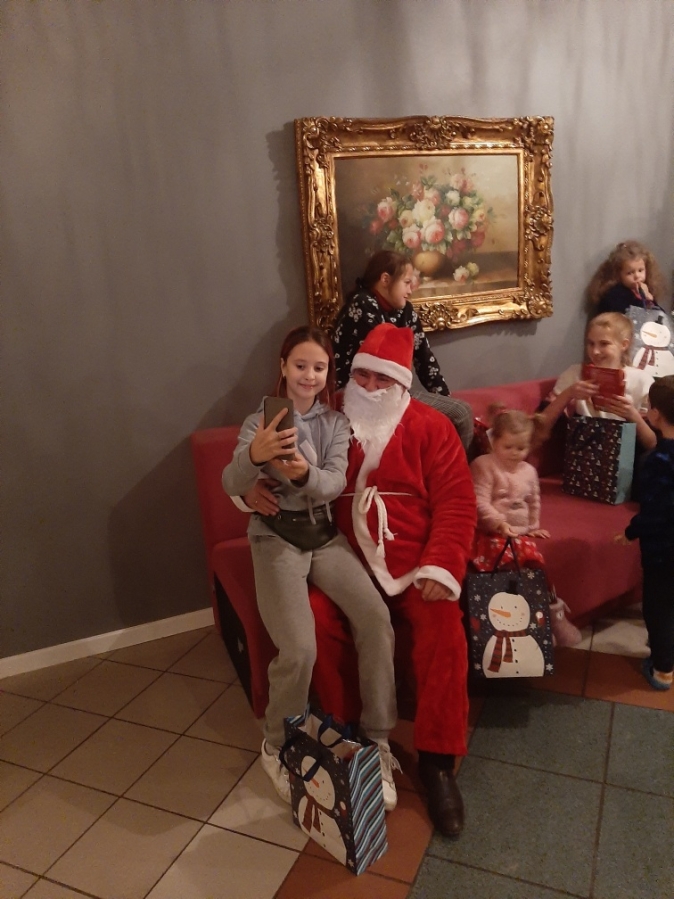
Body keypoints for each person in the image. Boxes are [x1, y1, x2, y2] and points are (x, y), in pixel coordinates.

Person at [222, 326, 398, 809]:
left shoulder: (335, 423)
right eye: (300, 365)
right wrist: (254, 457)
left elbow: (334, 482)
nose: (309, 375)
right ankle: (275, 745)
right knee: (300, 648)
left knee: (376, 619)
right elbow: (230, 480)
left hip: (323, 534)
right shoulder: (260, 421)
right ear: (283, 366)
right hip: (274, 536)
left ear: (328, 373)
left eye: (319, 367)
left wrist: (302, 473)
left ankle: (378, 738)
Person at [331, 250, 474, 451]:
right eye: (406, 282)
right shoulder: (362, 304)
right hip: (357, 391)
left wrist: (444, 400)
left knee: (458, 413)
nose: (410, 290)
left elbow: (425, 359)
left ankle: (451, 467)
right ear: (385, 280)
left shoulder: (405, 310)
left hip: (390, 388)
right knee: (461, 413)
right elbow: (382, 365)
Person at [469, 407, 582, 646]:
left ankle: (550, 613)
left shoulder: (529, 471)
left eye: (521, 448)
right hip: (490, 530)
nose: (514, 453)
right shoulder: (483, 465)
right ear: (493, 441)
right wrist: (499, 523)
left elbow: (533, 500)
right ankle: (522, 623)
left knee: (536, 565)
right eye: (508, 447)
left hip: (517, 532)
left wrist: (532, 526)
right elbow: (478, 502)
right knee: (516, 560)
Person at [615, 376, 674, 691]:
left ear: (655, 414)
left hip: (663, 551)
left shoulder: (659, 461)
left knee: (658, 607)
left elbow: (654, 512)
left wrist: (630, 531)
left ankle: (663, 669)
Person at [541, 312, 656, 452]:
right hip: (581, 453)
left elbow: (652, 444)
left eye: (604, 344)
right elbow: (541, 425)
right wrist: (569, 393)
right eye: (591, 343)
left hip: (625, 456)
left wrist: (632, 415)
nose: (595, 351)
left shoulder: (642, 380)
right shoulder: (574, 373)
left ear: (624, 344)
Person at [588, 240, 667, 315]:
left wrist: (649, 298)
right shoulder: (614, 295)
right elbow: (630, 315)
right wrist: (643, 299)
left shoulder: (644, 290)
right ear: (618, 274)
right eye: (630, 273)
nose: (637, 276)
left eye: (640, 270)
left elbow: (660, 316)